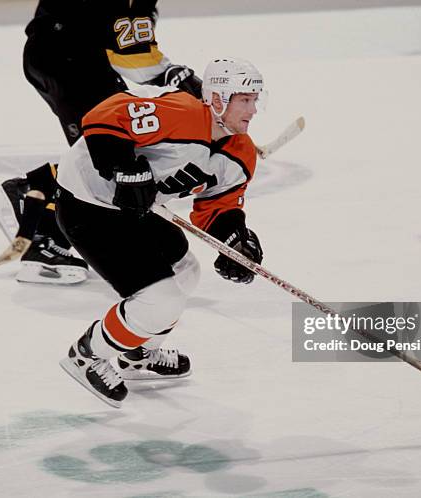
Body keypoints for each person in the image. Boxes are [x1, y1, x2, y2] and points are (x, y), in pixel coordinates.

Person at [56, 57, 266, 407]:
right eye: (245, 100)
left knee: (186, 273)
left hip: (136, 211)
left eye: (256, 100)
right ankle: (87, 355)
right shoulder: (181, 112)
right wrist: (125, 166)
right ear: (216, 99)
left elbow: (218, 208)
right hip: (87, 204)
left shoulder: (240, 151)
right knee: (161, 300)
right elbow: (104, 117)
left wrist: (235, 241)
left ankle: (136, 354)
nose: (254, 109)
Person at [2, 0, 202, 284]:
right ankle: (40, 218)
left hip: (64, 55)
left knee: (113, 150)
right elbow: (130, 53)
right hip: (68, 61)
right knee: (110, 155)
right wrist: (175, 77)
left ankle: (39, 200)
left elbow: (126, 39)